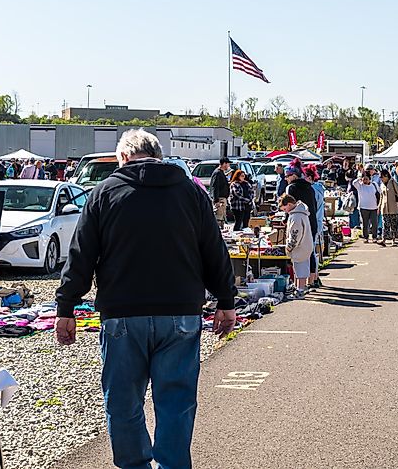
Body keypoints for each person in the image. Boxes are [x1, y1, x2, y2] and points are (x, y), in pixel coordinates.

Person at [54, 129, 236, 469]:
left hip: (123, 313)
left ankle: (135, 464)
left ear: (123, 158)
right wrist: (226, 300)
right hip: (180, 313)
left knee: (123, 403)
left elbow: (80, 256)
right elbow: (214, 250)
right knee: (176, 403)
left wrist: (66, 308)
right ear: (160, 156)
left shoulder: (104, 193)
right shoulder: (190, 192)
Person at [285, 161, 320, 278]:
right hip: (312, 221)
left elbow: (289, 204)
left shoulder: (291, 188)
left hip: (298, 221)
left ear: (294, 176)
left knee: (298, 252)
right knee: (310, 251)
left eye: (288, 176)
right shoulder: (310, 187)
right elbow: (314, 205)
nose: (286, 178)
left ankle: (301, 282)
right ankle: (313, 278)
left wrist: (286, 220)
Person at [280, 193, 313, 298]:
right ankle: (299, 288)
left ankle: (300, 290)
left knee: (300, 269)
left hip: (300, 247)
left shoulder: (296, 216)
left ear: (289, 204)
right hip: (306, 245)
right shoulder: (301, 213)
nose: (285, 211)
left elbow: (295, 235)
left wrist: (289, 247)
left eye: (285, 209)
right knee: (301, 268)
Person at [305, 163, 326, 288]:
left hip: (313, 222)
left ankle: (313, 279)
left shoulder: (313, 190)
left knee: (311, 251)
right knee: (313, 251)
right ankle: (316, 277)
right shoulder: (319, 188)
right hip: (318, 222)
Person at [378, 169, 398, 247]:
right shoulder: (382, 185)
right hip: (384, 208)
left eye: (382, 177)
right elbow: (381, 196)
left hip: (393, 207)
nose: (381, 179)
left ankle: (393, 240)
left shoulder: (393, 182)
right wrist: (379, 206)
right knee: (385, 224)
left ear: (386, 176)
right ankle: (384, 239)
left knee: (393, 225)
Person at [353, 171, 380, 243]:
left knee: (374, 223)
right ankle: (366, 237)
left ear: (370, 179)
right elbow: (354, 182)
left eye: (366, 179)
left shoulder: (374, 185)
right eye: (364, 179)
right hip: (363, 207)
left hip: (374, 207)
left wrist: (378, 206)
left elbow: (379, 194)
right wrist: (359, 178)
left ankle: (375, 237)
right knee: (365, 223)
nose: (365, 181)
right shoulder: (360, 186)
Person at [209, 157, 231, 228]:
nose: (229, 166)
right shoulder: (217, 173)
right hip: (219, 199)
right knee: (218, 217)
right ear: (224, 164)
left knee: (222, 218)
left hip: (223, 198)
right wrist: (216, 200)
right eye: (228, 164)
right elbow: (215, 187)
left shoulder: (221, 173)